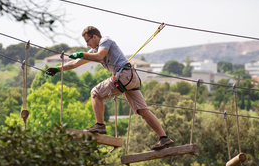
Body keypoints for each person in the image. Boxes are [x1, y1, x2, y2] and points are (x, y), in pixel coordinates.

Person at [45, 26, 174, 150]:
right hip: (131, 78)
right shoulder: (95, 50)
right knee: (143, 110)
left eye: (88, 41)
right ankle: (163, 137)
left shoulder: (105, 41)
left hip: (124, 75)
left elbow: (100, 56)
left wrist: (81, 54)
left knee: (95, 93)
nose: (87, 45)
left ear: (94, 37)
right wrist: (58, 69)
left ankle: (100, 125)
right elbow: (75, 63)